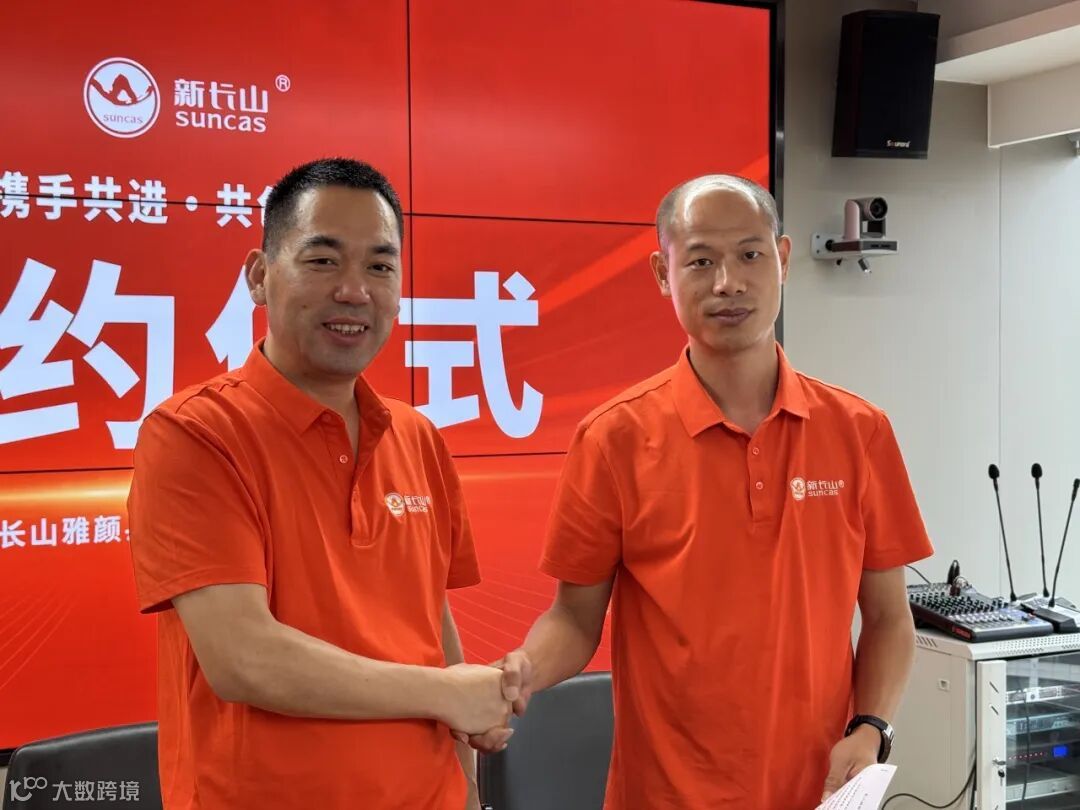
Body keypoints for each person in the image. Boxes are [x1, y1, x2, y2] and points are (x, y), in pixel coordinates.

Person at [471, 175, 933, 809]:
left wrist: (871, 726)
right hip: (664, 795)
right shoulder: (614, 438)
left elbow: (887, 617)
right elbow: (574, 620)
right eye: (700, 261)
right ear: (662, 274)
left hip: (818, 791)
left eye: (750, 254)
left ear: (784, 260)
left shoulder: (859, 430)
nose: (728, 282)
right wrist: (520, 671)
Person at [127, 158, 511, 810]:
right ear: (259, 276)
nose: (355, 291)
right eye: (324, 261)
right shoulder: (195, 434)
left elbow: (431, 622)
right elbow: (243, 659)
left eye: (380, 267)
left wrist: (468, 787)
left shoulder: (416, 436)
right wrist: (446, 693)